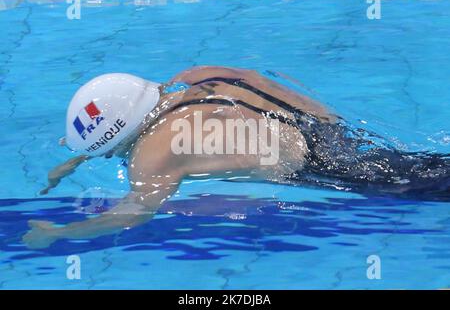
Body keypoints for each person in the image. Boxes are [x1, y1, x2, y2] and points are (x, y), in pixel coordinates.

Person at [23, 66, 449, 249]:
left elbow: (132, 215)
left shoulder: (151, 155)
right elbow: (255, 78)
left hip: (322, 166)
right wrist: (74, 159)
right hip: (328, 129)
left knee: (430, 187)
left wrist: (61, 234)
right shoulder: (195, 78)